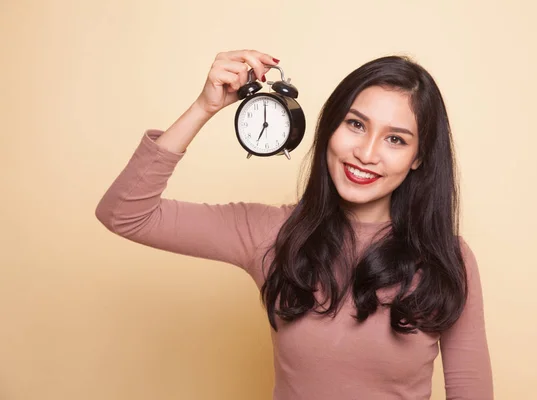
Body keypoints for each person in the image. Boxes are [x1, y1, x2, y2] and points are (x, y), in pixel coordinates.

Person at [95, 49, 493, 399]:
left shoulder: (448, 259)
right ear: (330, 128)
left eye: (396, 140)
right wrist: (204, 107)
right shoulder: (270, 233)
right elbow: (125, 213)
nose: (367, 153)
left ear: (419, 158)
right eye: (356, 124)